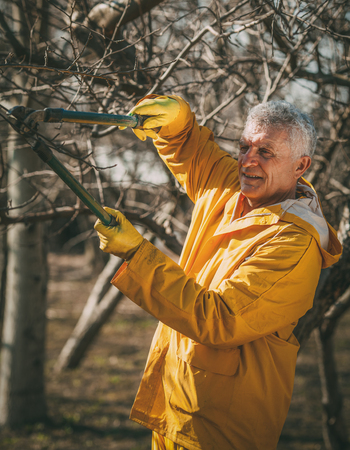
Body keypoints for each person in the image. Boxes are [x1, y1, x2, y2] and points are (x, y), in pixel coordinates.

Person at [94, 95, 342, 450]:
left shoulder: (295, 243)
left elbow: (220, 318)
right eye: (244, 146)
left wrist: (137, 253)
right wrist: (177, 120)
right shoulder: (232, 188)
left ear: (300, 166)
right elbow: (189, 148)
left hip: (221, 430)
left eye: (266, 152)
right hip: (176, 407)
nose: (248, 160)